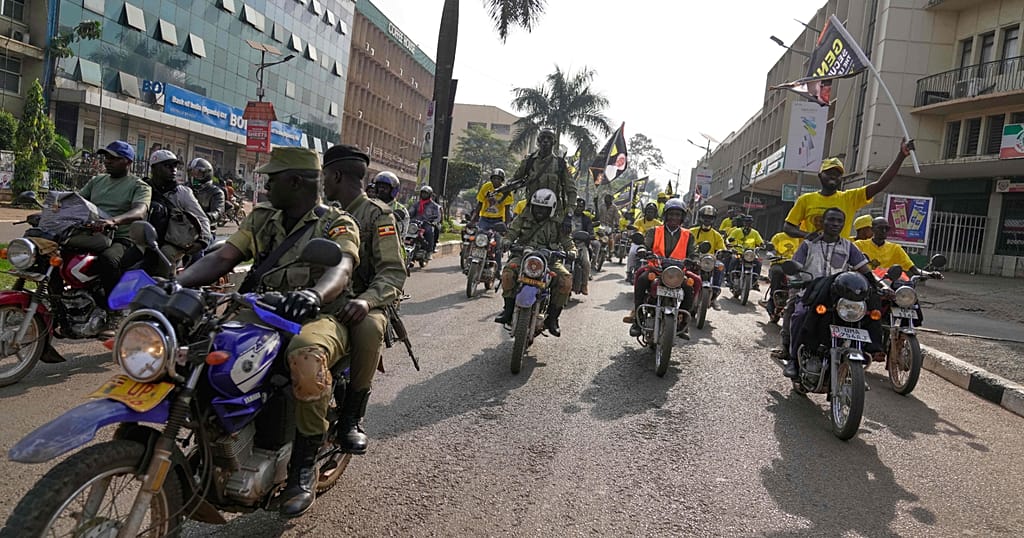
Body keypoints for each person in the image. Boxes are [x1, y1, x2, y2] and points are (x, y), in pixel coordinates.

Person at [176, 147, 360, 518]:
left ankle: (301, 469)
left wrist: (313, 294)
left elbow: (340, 268)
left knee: (306, 357)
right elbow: (224, 257)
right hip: (260, 309)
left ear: (295, 182)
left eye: (271, 179)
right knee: (197, 351)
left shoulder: (337, 223)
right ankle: (217, 435)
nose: (265, 184)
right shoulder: (261, 217)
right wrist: (175, 284)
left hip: (318, 316)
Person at [321, 145, 407, 456]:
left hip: (363, 299)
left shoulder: (377, 215)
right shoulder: (324, 213)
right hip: (326, 295)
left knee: (369, 330)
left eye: (326, 176)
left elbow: (392, 272)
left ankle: (351, 418)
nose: (323, 182)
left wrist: (367, 302)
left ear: (338, 175)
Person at [783, 207, 879, 379]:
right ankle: (793, 361)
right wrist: (796, 281)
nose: (835, 224)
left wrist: (880, 287)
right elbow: (794, 268)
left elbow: (864, 269)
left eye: (839, 221)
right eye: (831, 220)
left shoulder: (849, 247)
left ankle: (858, 363)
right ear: (822, 222)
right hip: (811, 293)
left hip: (838, 297)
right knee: (799, 315)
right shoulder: (808, 244)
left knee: (863, 316)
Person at [783, 139, 914, 241]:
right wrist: (807, 235)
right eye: (829, 172)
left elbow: (880, 184)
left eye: (837, 173)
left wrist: (901, 156)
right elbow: (788, 227)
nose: (833, 176)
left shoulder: (849, 198)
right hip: (810, 257)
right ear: (820, 175)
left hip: (839, 258)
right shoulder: (805, 200)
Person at [494, 188, 575, 336]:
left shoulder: (558, 222)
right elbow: (511, 232)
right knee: (507, 273)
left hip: (550, 259)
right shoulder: (523, 217)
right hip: (523, 255)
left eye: (544, 209)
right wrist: (506, 241)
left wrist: (572, 251)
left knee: (566, 280)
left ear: (551, 209)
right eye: (537, 207)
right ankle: (508, 309)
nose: (539, 211)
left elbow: (567, 241)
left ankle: (553, 319)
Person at [79, 140, 152, 294]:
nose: (108, 161)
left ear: (128, 162)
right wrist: (45, 213)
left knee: (108, 260)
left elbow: (139, 211)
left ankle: (113, 309)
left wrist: (113, 221)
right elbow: (76, 202)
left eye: (113, 158)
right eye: (106, 157)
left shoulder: (139, 186)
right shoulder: (97, 181)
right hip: (94, 234)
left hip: (122, 238)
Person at [623, 199, 698, 339]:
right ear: (665, 215)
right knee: (641, 278)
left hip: (677, 272)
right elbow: (645, 245)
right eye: (671, 214)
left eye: (677, 215)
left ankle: (683, 321)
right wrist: (641, 250)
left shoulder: (688, 235)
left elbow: (694, 252)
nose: (674, 218)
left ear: (682, 217)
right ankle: (637, 320)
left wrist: (695, 260)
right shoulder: (654, 231)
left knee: (692, 285)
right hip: (656, 268)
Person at [144, 150, 211, 276]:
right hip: (144, 239)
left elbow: (202, 218)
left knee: (165, 256)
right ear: (154, 168)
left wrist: (202, 241)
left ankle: (168, 291)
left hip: (172, 242)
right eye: (167, 166)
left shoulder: (183, 193)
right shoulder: (143, 188)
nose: (173, 169)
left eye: (175, 166)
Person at [501, 128, 576, 220]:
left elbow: (571, 190)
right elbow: (515, 179)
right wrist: (506, 187)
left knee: (564, 233)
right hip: (531, 211)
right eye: (543, 138)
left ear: (554, 142)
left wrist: (569, 214)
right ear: (538, 141)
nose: (545, 141)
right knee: (512, 232)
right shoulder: (529, 161)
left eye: (549, 138)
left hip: (554, 214)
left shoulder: (561, 164)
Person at [855, 217, 941, 279]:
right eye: (881, 228)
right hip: (865, 282)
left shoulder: (895, 248)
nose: (884, 231)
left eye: (887, 228)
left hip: (887, 285)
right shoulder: (859, 245)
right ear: (873, 229)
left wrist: (930, 274)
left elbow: (913, 269)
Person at [690, 205, 727, 306]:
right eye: (705, 217)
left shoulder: (717, 235)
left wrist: (723, 252)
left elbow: (721, 248)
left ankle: (715, 294)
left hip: (710, 261)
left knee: (720, 267)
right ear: (700, 217)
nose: (707, 220)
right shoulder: (691, 232)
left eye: (710, 218)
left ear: (713, 219)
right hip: (695, 259)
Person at [763, 232, 800, 317]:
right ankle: (772, 300)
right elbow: (771, 250)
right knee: (777, 272)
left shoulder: (800, 239)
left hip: (793, 266)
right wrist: (771, 254)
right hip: (779, 263)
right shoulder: (778, 237)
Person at [726, 214, 766, 290]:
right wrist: (729, 243)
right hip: (738, 253)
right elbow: (729, 239)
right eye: (746, 222)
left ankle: (755, 281)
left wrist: (762, 245)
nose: (748, 224)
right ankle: (729, 279)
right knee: (733, 260)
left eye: (749, 223)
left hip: (750, 254)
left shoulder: (755, 233)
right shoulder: (737, 231)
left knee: (758, 263)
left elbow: (760, 242)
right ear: (743, 223)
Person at [565, 198, 595, 294]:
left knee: (586, 263)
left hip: (581, 245)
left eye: (581, 207)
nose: (578, 208)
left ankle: (584, 285)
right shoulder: (566, 217)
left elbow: (591, 232)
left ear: (584, 208)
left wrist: (589, 236)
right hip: (566, 244)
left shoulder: (586, 219)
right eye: (576, 206)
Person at [626, 203, 662, 278]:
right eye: (648, 211)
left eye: (652, 212)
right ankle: (629, 272)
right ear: (645, 212)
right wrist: (632, 231)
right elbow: (634, 230)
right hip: (639, 243)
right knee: (632, 252)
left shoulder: (658, 224)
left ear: (655, 213)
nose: (650, 213)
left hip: (652, 245)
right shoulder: (639, 221)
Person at [189, 157, 226, 230]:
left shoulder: (216, 192)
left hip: (206, 228)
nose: (194, 177)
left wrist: (202, 218)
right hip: (184, 228)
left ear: (207, 174)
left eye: (198, 174)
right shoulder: (185, 188)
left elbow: (218, 212)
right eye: (192, 173)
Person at [369, 171, 409, 237]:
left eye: (385, 188)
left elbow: (400, 233)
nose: (381, 190)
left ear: (393, 191)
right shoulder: (369, 204)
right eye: (379, 187)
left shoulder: (401, 209)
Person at [408, 185, 442, 257]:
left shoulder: (435, 206)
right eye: (423, 193)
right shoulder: (416, 204)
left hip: (427, 223)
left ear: (429, 195)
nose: (424, 195)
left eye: (426, 193)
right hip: (415, 223)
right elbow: (410, 212)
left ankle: (429, 251)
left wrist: (434, 222)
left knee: (430, 231)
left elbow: (437, 216)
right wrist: (407, 216)